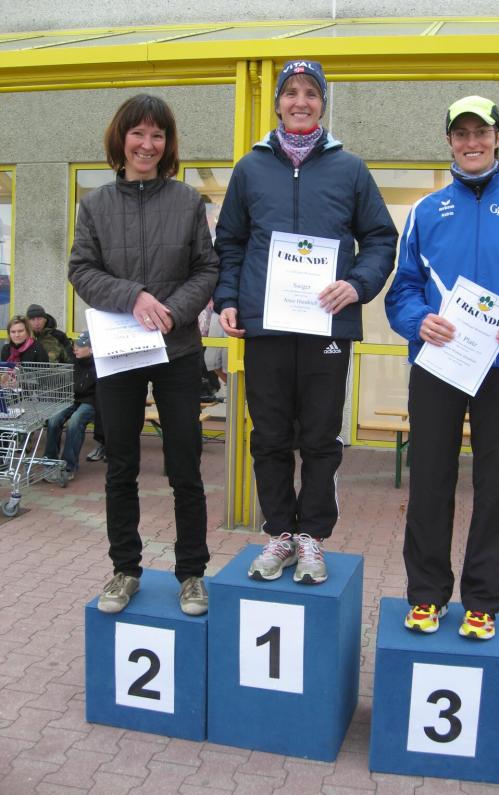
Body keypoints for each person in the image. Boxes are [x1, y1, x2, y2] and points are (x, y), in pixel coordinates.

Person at [385, 95, 499, 640]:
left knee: (498, 486)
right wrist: (417, 320)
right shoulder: (425, 210)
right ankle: (426, 596)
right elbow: (403, 289)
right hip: (439, 363)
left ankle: (483, 602)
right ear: (449, 141)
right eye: (461, 133)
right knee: (429, 481)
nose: (472, 142)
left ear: (498, 138)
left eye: (481, 132)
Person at [214, 60, 398, 585]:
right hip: (267, 327)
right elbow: (230, 241)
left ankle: (312, 537)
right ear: (277, 103)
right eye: (291, 92)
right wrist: (228, 297)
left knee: (320, 437)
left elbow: (381, 238)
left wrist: (357, 284)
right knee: (269, 436)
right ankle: (279, 533)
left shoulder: (351, 169)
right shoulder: (250, 168)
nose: (300, 101)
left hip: (327, 327)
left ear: (322, 104)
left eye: (311, 93)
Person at [68, 94, 219, 616]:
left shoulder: (187, 201)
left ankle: (192, 573)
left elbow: (207, 269)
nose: (147, 145)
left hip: (177, 351)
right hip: (119, 351)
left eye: (158, 135)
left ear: (167, 143)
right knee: (121, 466)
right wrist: (133, 296)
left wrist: (173, 311)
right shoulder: (95, 205)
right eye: (138, 133)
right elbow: (81, 270)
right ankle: (125, 569)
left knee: (185, 466)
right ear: (122, 139)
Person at [44, 330, 96, 482]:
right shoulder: (73, 361)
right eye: (75, 345)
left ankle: (68, 465)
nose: (75, 348)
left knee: (75, 421)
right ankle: (50, 462)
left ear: (92, 349)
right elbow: (61, 383)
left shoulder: (100, 365)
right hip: (72, 399)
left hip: (92, 401)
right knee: (53, 419)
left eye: (80, 346)